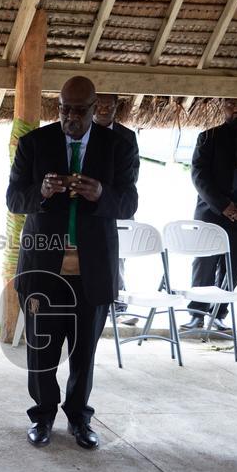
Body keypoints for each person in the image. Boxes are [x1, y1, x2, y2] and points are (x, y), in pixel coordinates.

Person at [7, 76, 138, 450]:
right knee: (41, 352)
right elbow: (15, 198)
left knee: (84, 355)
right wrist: (42, 192)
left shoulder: (118, 146)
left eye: (79, 111)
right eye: (64, 109)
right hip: (43, 270)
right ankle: (43, 417)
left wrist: (100, 194)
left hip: (92, 271)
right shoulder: (34, 143)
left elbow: (129, 203)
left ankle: (79, 419)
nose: (70, 118)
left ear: (96, 109)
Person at [183, 98, 237, 331]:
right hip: (212, 213)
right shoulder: (208, 137)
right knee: (204, 263)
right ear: (223, 107)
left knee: (234, 265)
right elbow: (199, 176)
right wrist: (223, 206)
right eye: (231, 105)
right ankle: (197, 313)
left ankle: (219, 313)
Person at [93, 93, 141, 326]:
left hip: (118, 203)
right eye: (99, 105)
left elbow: (132, 174)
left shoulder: (127, 136)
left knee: (119, 255)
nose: (103, 109)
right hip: (90, 204)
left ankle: (118, 304)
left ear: (116, 107)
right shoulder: (83, 131)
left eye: (108, 105)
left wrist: (107, 191)